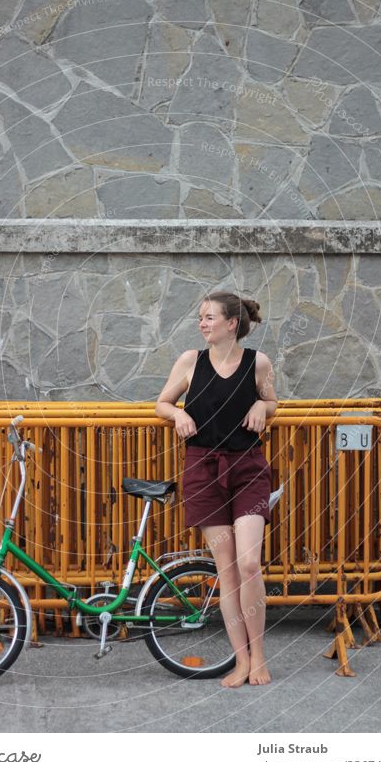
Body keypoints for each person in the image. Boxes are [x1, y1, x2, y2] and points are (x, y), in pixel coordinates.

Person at [155, 291, 278, 688]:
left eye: (209, 317)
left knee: (248, 564)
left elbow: (272, 400)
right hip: (203, 469)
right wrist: (176, 413)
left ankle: (259, 654)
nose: (202, 323)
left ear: (231, 324)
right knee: (227, 571)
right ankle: (241, 660)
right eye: (200, 317)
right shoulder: (191, 361)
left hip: (248, 470)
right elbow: (161, 402)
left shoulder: (258, 363)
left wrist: (264, 406)